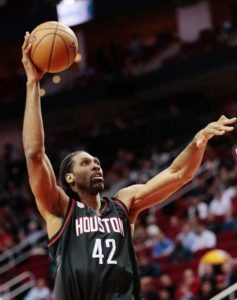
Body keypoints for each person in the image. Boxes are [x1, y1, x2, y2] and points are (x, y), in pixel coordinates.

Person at [21, 31, 237, 300]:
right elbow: (34, 154)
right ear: (70, 178)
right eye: (86, 163)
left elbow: (178, 174)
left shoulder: (124, 204)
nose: (96, 166)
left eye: (97, 162)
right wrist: (33, 83)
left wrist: (198, 141)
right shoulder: (60, 209)